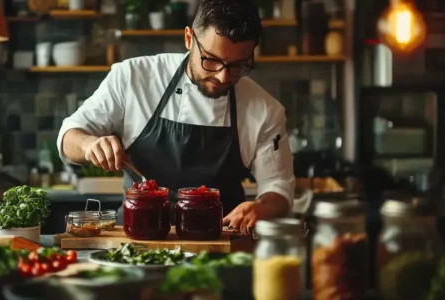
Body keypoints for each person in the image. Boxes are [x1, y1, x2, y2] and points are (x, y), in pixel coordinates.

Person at [57, 0, 295, 234]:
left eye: (238, 66)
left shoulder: (264, 109)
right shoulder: (133, 78)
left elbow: (279, 189)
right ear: (189, 38)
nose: (223, 77)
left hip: (219, 242)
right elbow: (69, 138)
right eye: (211, 60)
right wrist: (89, 145)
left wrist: (262, 208)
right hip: (136, 239)